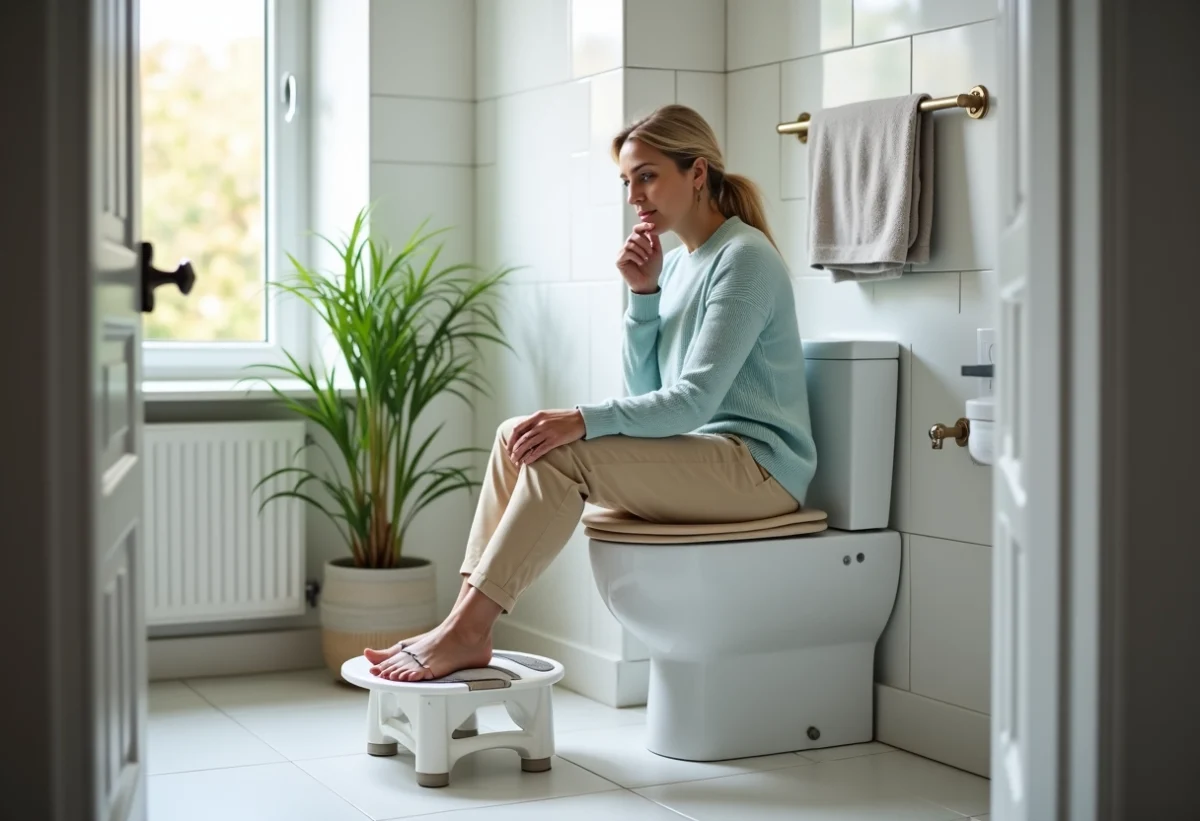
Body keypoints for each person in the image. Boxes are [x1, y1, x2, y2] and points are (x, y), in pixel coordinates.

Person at [365, 104, 818, 682]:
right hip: (707, 458)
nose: (635, 195)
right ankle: (461, 621)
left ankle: (467, 631)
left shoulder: (744, 258)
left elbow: (692, 404)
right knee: (516, 437)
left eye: (648, 175)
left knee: (560, 450)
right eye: (628, 181)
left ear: (697, 173)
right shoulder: (677, 266)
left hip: (758, 471)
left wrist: (580, 419)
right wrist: (645, 296)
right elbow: (646, 395)